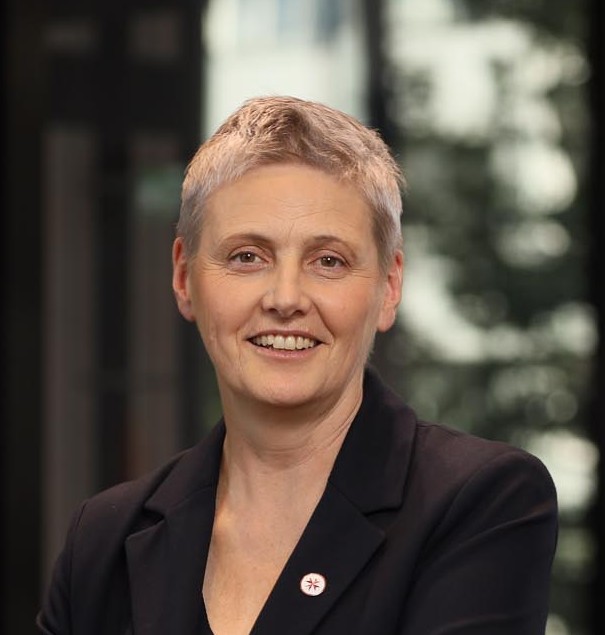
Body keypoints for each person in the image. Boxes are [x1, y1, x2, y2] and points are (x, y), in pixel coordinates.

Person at [38, 96, 558, 635]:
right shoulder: (103, 541)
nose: (285, 298)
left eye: (328, 261)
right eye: (247, 257)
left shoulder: (479, 504)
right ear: (184, 277)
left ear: (389, 287)